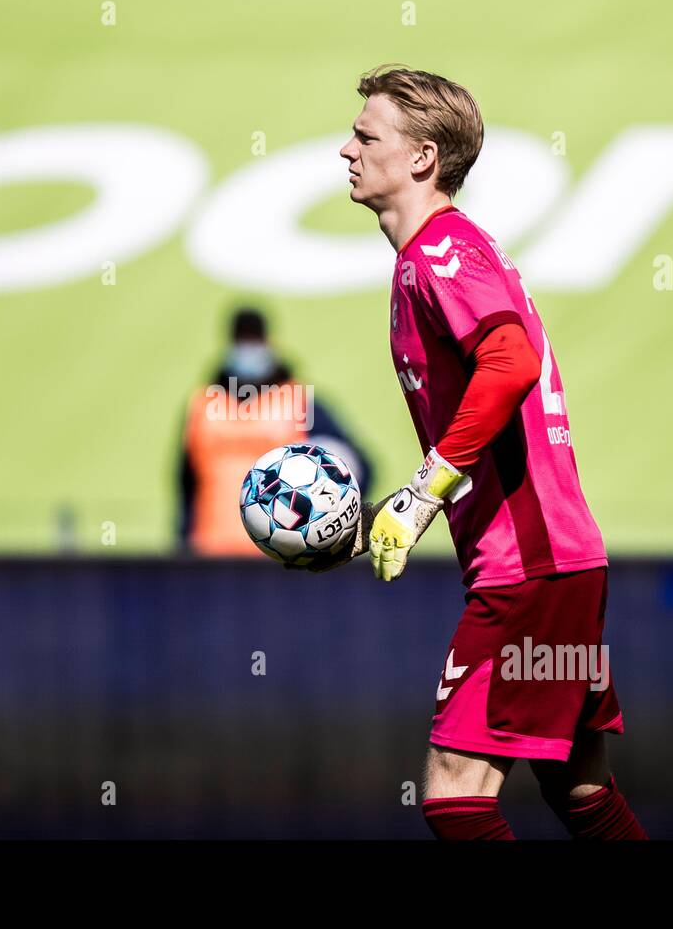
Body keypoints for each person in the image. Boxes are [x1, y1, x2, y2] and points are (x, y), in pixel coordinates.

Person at [324, 64, 645, 840]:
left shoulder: (443, 252)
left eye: (367, 137)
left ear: (423, 157)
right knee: (578, 787)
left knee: (453, 799)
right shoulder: (435, 257)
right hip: (559, 563)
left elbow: (509, 362)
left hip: (530, 570)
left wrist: (424, 489)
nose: (347, 150)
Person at [177, 308, 373, 556]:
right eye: (241, 340)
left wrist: (329, 528)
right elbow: (185, 486)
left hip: (280, 557)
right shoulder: (203, 405)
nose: (248, 349)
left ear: (268, 343)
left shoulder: (300, 402)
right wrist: (182, 544)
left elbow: (357, 467)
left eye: (254, 340)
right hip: (210, 556)